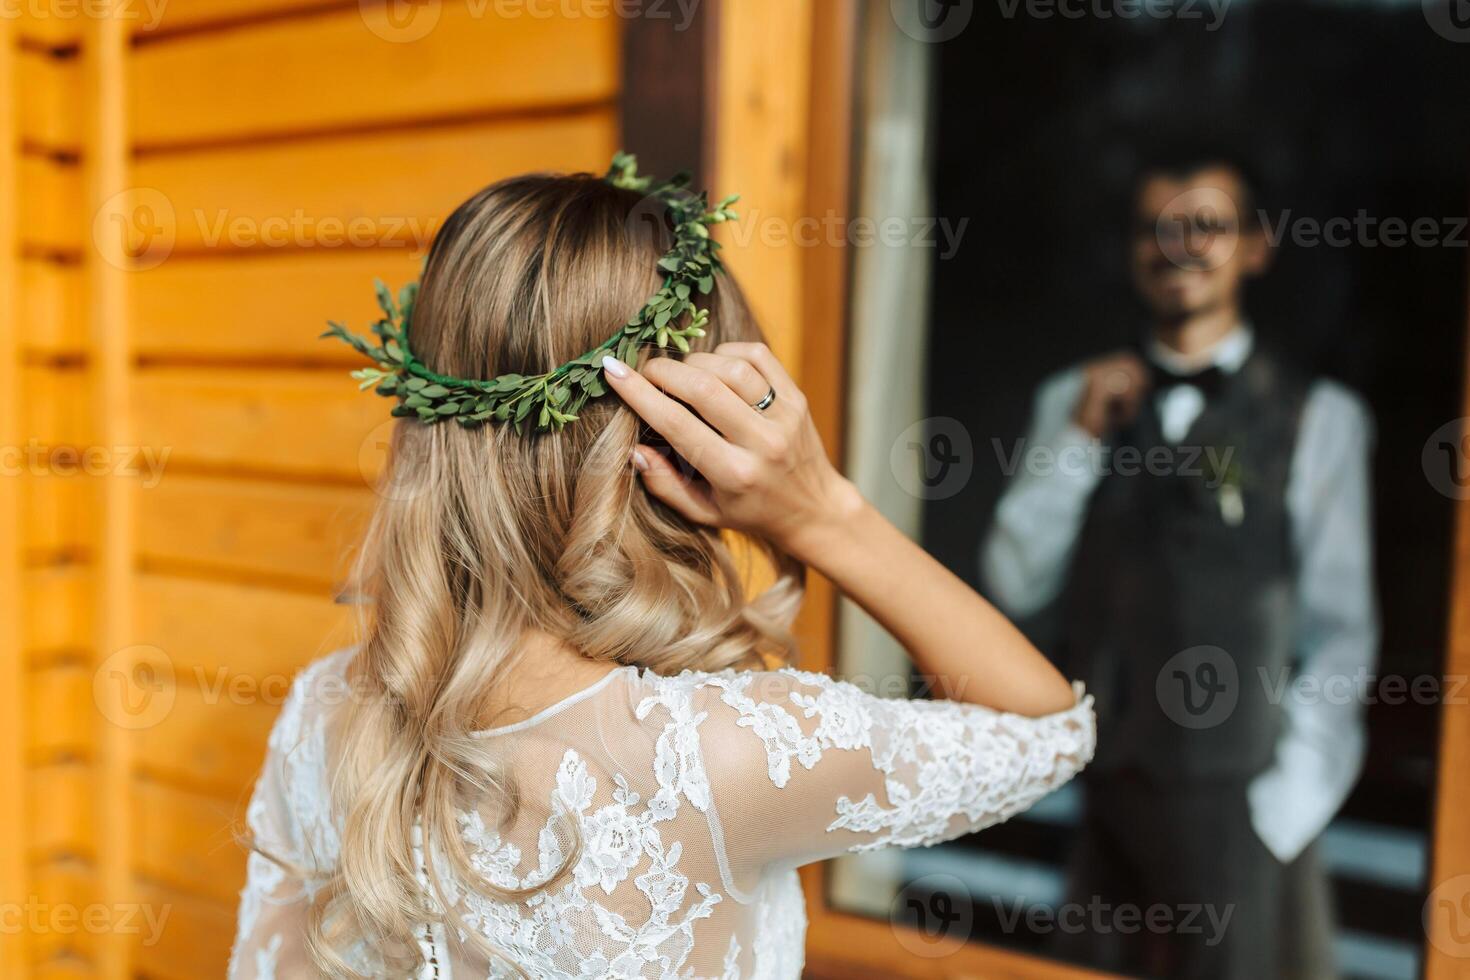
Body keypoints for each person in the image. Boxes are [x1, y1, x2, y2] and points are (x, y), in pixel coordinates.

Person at [226, 162, 1095, 979]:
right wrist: (821, 510)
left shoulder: (322, 715)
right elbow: (1051, 730)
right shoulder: (713, 758)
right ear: (675, 437)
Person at [981, 148, 1378, 979]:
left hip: (1246, 812)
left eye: (1207, 225)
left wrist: (1286, 803)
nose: (1179, 247)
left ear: (1255, 247)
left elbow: (1342, 632)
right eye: (1157, 228)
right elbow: (1014, 583)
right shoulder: (1072, 400)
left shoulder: (1320, 417)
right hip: (1110, 808)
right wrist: (1080, 440)